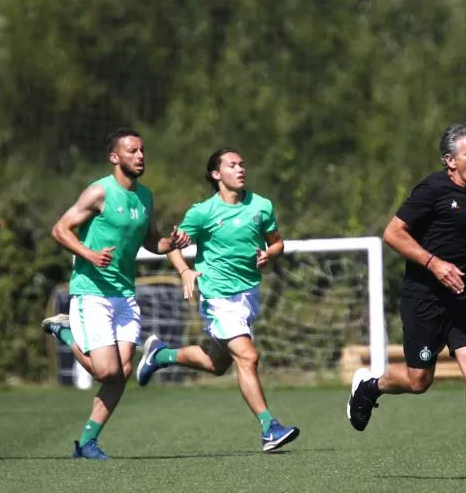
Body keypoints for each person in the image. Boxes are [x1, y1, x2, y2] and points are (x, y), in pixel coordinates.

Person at [347, 122, 466, 481]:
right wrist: (433, 264)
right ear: (449, 160)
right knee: (419, 381)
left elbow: (459, 239)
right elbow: (393, 234)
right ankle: (369, 388)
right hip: (423, 298)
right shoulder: (431, 190)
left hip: (460, 297)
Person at [134, 148, 300, 453]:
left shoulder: (261, 206)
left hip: (248, 296)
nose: (240, 169)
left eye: (242, 164)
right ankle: (269, 428)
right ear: (216, 174)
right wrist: (185, 270)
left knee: (216, 364)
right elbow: (171, 245)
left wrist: (268, 254)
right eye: (232, 165)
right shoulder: (202, 212)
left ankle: (160, 355)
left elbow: (277, 243)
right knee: (248, 357)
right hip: (217, 297)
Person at [41, 128, 189, 460]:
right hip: (91, 292)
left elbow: (152, 241)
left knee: (122, 373)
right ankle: (63, 330)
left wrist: (171, 243)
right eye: (132, 151)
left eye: (142, 151)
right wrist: (89, 254)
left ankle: (87, 443)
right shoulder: (98, 193)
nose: (140, 156)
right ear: (115, 157)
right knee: (106, 372)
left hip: (124, 292)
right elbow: (60, 229)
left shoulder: (145, 197)